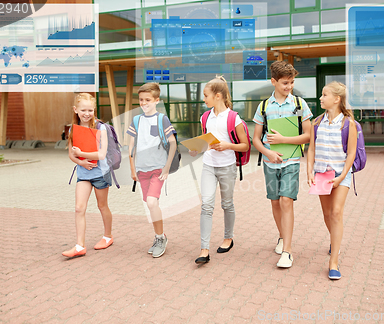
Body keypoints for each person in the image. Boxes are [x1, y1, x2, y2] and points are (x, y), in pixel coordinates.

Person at [252, 61, 312, 268]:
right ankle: (282, 236)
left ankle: (287, 251)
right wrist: (268, 152)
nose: (289, 87)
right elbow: (256, 140)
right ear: (274, 82)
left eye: (292, 82)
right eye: (285, 83)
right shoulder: (263, 106)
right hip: (270, 163)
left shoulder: (299, 104)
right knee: (275, 202)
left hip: (292, 161)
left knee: (287, 201)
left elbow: (307, 136)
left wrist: (283, 140)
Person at [190, 76, 249, 264]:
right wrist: (195, 148)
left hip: (227, 166)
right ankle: (204, 249)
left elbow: (245, 146)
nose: (204, 99)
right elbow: (204, 141)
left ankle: (228, 237)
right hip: (208, 165)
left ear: (217, 96)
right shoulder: (205, 117)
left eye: (206, 96)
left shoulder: (234, 118)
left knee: (227, 204)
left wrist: (227, 145)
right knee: (206, 205)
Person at [306, 81, 357, 280]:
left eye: (324, 95)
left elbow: (351, 152)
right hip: (321, 174)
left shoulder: (348, 123)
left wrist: (343, 176)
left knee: (336, 212)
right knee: (327, 214)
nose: (321, 98)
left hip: (341, 174)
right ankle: (334, 239)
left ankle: (333, 261)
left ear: (336, 99)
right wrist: (309, 170)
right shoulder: (316, 122)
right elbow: (311, 149)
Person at [127, 83, 177, 258]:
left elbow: (173, 143)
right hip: (142, 170)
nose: (143, 103)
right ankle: (159, 236)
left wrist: (166, 167)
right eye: (141, 100)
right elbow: (131, 146)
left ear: (157, 101)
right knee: (150, 205)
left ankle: (160, 238)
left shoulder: (162, 119)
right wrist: (133, 168)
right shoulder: (136, 120)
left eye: (147, 100)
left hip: (158, 169)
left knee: (152, 203)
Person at [62, 93, 113, 258]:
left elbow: (102, 154)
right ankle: (79, 246)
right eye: (83, 110)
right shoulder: (72, 129)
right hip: (84, 173)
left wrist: (82, 154)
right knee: (79, 208)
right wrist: (81, 162)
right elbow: (71, 154)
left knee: (102, 206)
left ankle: (107, 236)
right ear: (75, 110)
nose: (87, 113)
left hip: (100, 174)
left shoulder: (101, 127)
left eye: (90, 110)